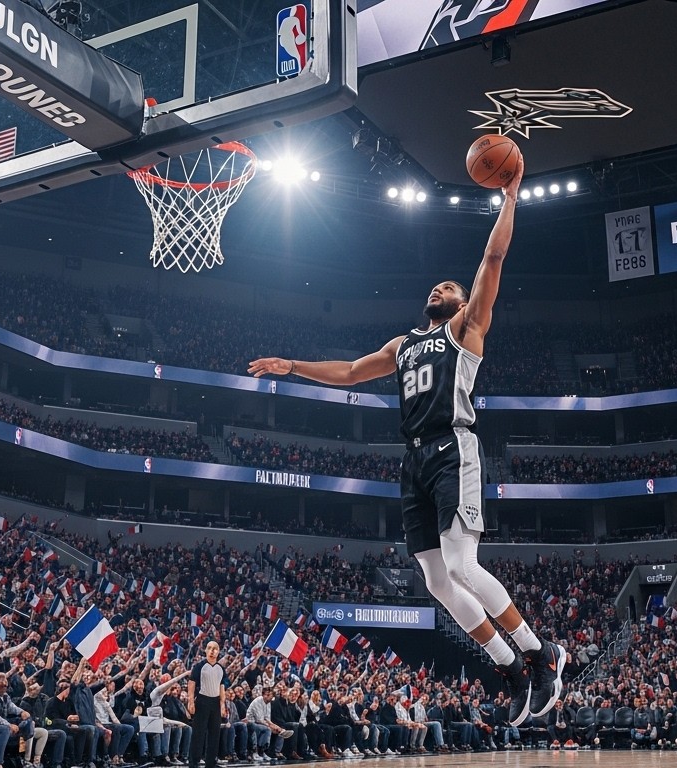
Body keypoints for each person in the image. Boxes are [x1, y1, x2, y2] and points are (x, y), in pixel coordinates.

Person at [248, 153, 564, 726]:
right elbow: (349, 372)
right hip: (414, 460)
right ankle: (510, 670)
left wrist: (510, 199)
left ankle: (543, 655)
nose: (441, 286)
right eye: (437, 284)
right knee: (435, 577)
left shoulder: (467, 329)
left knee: (463, 565)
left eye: (451, 285)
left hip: (452, 447)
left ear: (464, 302)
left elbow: (493, 256)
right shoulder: (401, 346)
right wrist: (293, 365)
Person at [186, 642, 226, 768]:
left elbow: (222, 686)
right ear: (205, 650)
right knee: (199, 733)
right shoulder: (199, 666)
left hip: (215, 702)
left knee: (214, 734)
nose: (212, 651)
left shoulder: (221, 668)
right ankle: (194, 762)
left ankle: (211, 762)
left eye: (215, 649)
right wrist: (190, 701)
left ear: (218, 651)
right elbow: (191, 684)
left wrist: (222, 705)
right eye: (209, 648)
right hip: (202, 701)